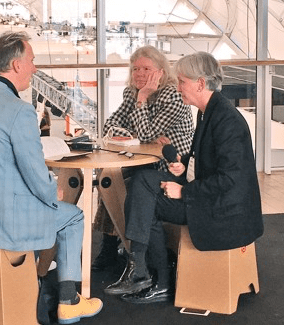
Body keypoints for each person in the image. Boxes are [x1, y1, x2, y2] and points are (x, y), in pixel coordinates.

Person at [0, 31, 102, 325]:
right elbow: (34, 172)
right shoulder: (20, 112)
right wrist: (52, 192)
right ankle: (68, 301)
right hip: (7, 223)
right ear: (16, 65)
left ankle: (40, 282)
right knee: (73, 216)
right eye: (32, 61)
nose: (35, 68)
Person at [104, 51, 264, 304]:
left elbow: (231, 179)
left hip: (223, 209)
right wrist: (182, 166)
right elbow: (205, 159)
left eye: (182, 82)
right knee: (143, 181)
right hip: (209, 194)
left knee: (148, 202)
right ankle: (140, 269)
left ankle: (159, 279)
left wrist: (184, 192)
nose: (177, 87)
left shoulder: (227, 121)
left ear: (200, 83)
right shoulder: (208, 111)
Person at [92, 45, 194, 272]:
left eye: (146, 68)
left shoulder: (173, 95)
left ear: (160, 72)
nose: (139, 74)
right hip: (143, 158)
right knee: (107, 179)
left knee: (123, 185)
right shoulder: (131, 91)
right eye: (135, 68)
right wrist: (141, 130)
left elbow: (145, 134)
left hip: (172, 165)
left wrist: (142, 100)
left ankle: (133, 253)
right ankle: (110, 246)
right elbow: (110, 126)